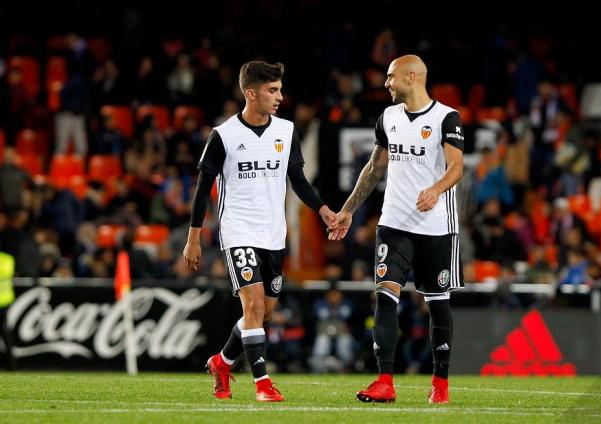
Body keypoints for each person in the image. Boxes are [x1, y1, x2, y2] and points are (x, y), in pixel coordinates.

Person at [183, 61, 336, 402]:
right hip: (238, 231)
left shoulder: (286, 131)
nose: (280, 96)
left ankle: (221, 362)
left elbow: (297, 179)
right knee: (251, 306)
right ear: (250, 93)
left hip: (273, 235)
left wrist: (323, 209)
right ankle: (263, 384)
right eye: (272, 90)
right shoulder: (223, 136)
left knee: (263, 313)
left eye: (280, 89)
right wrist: (193, 238)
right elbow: (201, 189)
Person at [328, 55, 465, 404]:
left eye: (391, 77)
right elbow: (374, 168)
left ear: (413, 76)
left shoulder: (445, 118)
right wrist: (347, 210)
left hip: (436, 226)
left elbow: (457, 167)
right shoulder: (388, 118)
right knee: (386, 294)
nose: (386, 83)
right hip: (394, 224)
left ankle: (440, 384)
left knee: (437, 302)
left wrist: (435, 190)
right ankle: (385, 380)